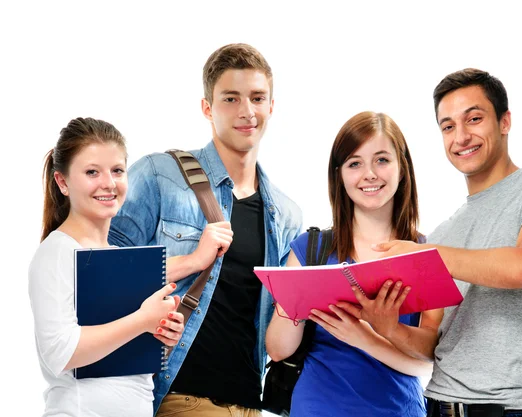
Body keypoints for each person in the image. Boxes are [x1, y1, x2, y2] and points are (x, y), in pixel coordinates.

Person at [347, 69, 522, 417]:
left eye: (474, 119)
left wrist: (425, 255)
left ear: (504, 121)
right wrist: (387, 327)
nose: (461, 136)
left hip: (511, 408)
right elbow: (431, 342)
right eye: (448, 126)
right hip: (438, 405)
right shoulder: (443, 233)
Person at [108, 43, 303, 416]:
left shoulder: (286, 215)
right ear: (207, 108)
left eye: (257, 98)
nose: (247, 111)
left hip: (249, 404)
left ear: (271, 106)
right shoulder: (159, 176)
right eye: (231, 98)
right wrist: (189, 261)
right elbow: (102, 269)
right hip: (178, 397)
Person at [266, 111, 442, 417]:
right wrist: (294, 301)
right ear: (340, 175)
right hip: (316, 408)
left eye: (382, 160)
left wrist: (364, 337)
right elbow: (278, 349)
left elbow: (428, 362)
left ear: (402, 168)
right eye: (354, 163)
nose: (369, 174)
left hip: (399, 410)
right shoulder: (312, 250)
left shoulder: (425, 254)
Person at [28, 117, 185, 417]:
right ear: (62, 182)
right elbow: (60, 354)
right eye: (92, 172)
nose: (109, 184)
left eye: (117, 170)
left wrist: (162, 334)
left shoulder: (124, 260)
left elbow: (124, 361)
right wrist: (142, 320)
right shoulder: (57, 252)